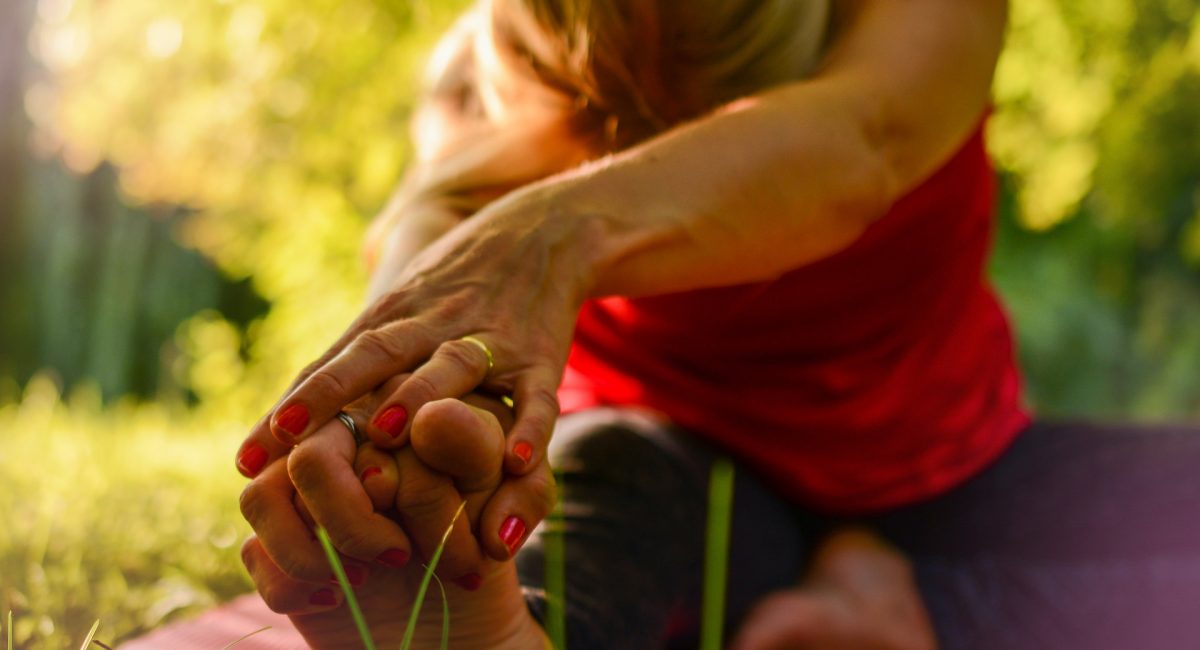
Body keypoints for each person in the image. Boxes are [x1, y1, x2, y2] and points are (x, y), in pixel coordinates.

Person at [234, 0, 1200, 648]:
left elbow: (863, 141)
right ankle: (496, 624)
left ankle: (904, 607)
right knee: (599, 508)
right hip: (675, 457)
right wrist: (385, 426)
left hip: (954, 467)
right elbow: (424, 245)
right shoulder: (492, 75)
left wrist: (545, 233)